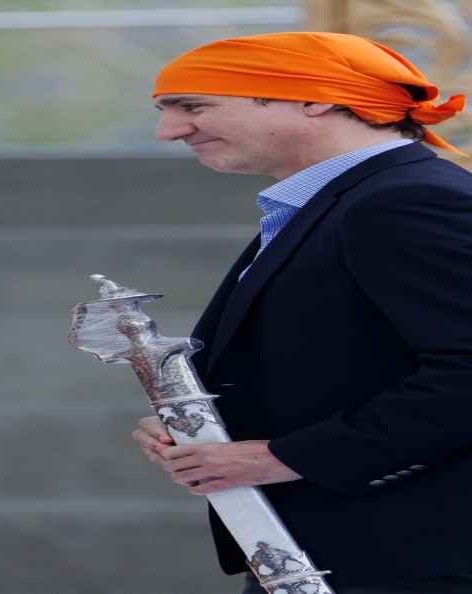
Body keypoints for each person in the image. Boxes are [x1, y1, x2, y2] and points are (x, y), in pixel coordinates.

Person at [131, 32, 472, 593]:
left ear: (314, 98)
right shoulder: (350, 200)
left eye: (194, 105)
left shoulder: (404, 200)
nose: (170, 131)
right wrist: (200, 428)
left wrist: (281, 458)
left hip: (409, 561)